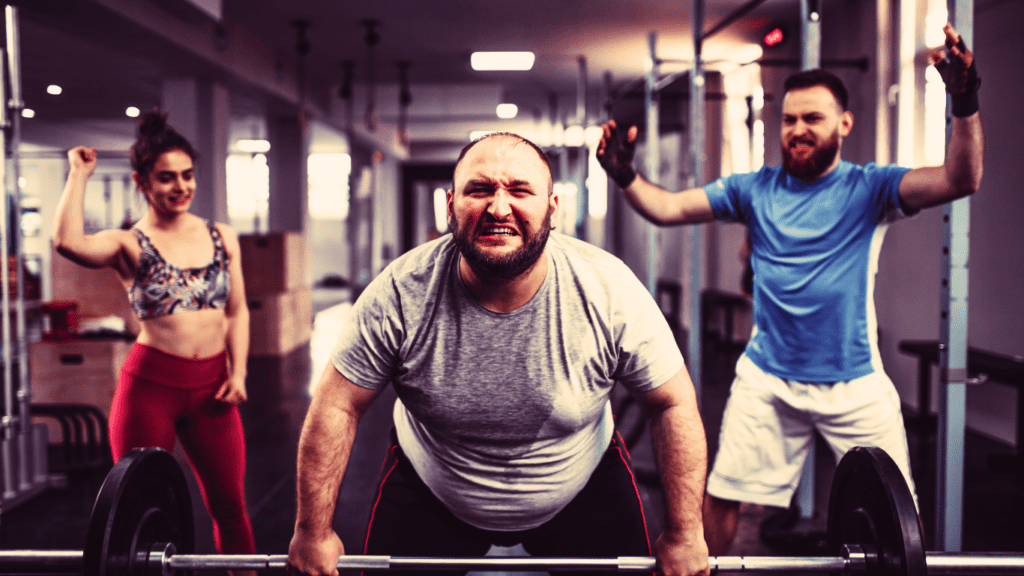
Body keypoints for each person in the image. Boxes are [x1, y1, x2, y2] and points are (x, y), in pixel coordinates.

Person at [595, 24, 983, 556]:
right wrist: (624, 176)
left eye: (813, 119)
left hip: (855, 384)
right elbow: (667, 209)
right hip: (768, 380)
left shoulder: (870, 188)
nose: (798, 129)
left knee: (899, 521)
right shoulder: (753, 190)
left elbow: (961, 178)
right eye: (790, 119)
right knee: (720, 499)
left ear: (844, 124)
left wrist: (964, 99)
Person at [286, 133, 710, 576]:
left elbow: (673, 401)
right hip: (433, 486)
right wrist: (312, 531)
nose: (499, 208)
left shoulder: (608, 289)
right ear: (450, 206)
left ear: (552, 208)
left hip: (580, 483)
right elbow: (337, 403)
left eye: (520, 190)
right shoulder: (400, 293)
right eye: (480, 189)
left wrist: (685, 533)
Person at [53, 111, 257, 571]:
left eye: (187, 176)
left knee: (230, 505)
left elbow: (237, 309)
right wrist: (78, 174)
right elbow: (66, 242)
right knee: (140, 511)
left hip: (213, 389)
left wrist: (239, 371)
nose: (181, 186)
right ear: (141, 182)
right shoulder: (129, 244)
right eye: (167, 178)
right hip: (150, 389)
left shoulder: (221, 236)